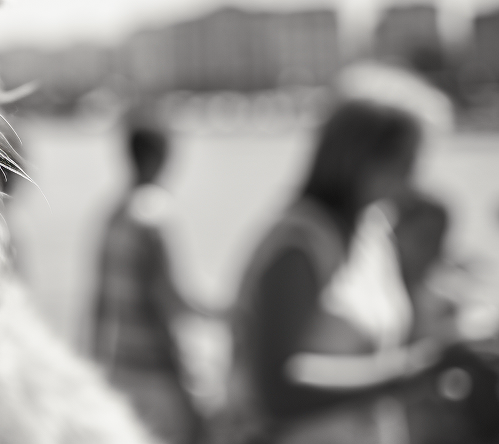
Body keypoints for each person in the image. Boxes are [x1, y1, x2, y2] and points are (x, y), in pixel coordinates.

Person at [222, 99, 439, 444]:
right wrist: (411, 371)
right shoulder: (299, 245)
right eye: (407, 161)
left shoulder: (374, 229)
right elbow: (275, 393)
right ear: (364, 159)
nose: (415, 178)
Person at [92, 121, 205, 444]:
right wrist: (232, 313)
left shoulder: (113, 215)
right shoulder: (156, 213)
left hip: (120, 374)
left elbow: (98, 304)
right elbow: (174, 302)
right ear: (160, 156)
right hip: (158, 377)